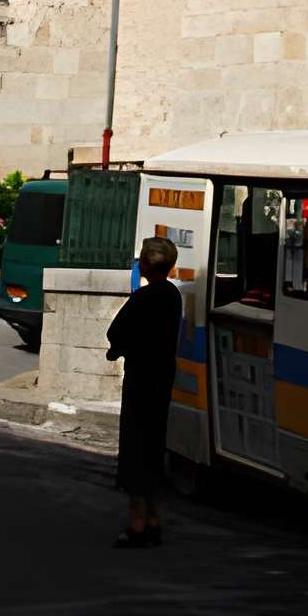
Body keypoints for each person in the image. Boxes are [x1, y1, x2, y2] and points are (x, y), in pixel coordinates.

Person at [105, 234, 183, 546]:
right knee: (154, 445)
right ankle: (154, 517)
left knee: (135, 448)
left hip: (140, 378)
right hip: (163, 377)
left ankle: (138, 521)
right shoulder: (173, 296)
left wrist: (117, 350)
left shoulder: (143, 298)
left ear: (147, 264)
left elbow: (117, 331)